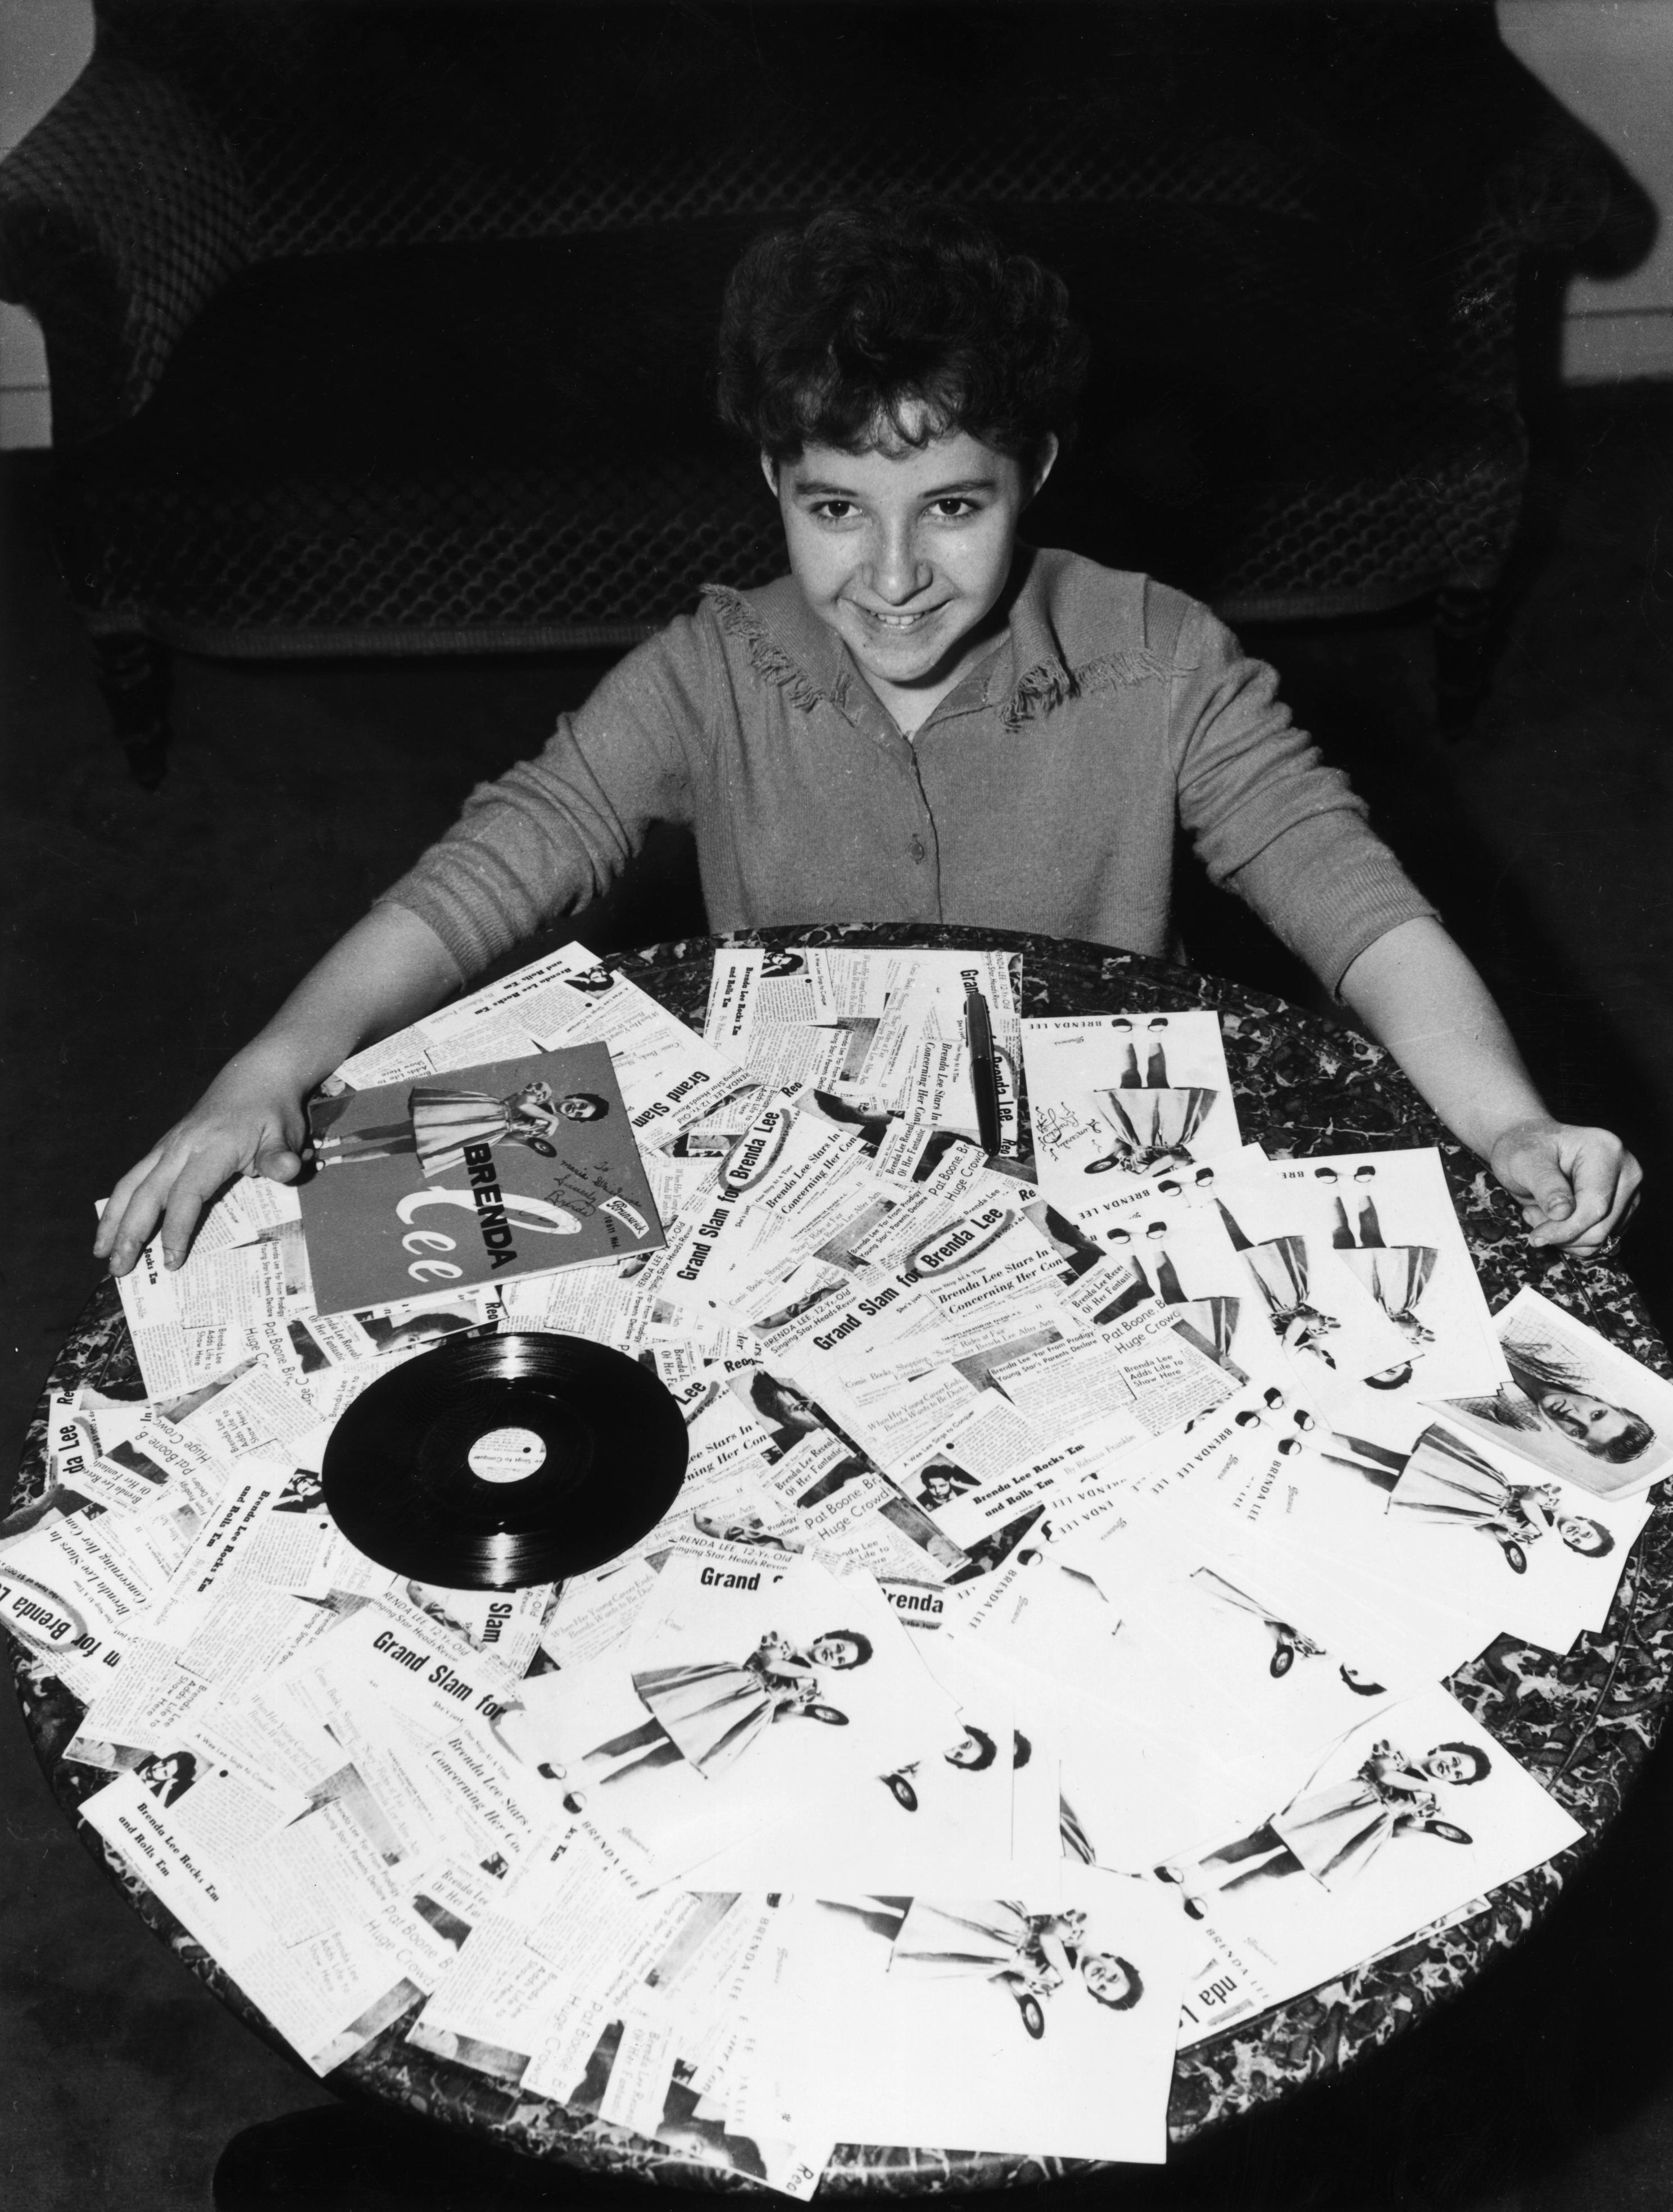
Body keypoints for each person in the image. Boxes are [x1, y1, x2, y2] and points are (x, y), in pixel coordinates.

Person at [93, 202, 1639, 1280]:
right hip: (775, 1151)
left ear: (1031, 473)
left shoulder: (1162, 656)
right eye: (836, 510)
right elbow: (501, 859)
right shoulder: (711, 666)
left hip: (1072, 1161)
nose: (891, 576)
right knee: (333, 1209)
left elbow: (1357, 912)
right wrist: (272, 1064)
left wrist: (1505, 1120)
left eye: (952, 508)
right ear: (775, 479)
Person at [1451, 1338, 1656, 1471]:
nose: (1572, 1416)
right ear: (1602, 1401)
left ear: (1571, 1442)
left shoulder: (1525, 1422)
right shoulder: (1575, 1363)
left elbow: (1452, 1389)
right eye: (1596, 1415)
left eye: (1578, 1432)